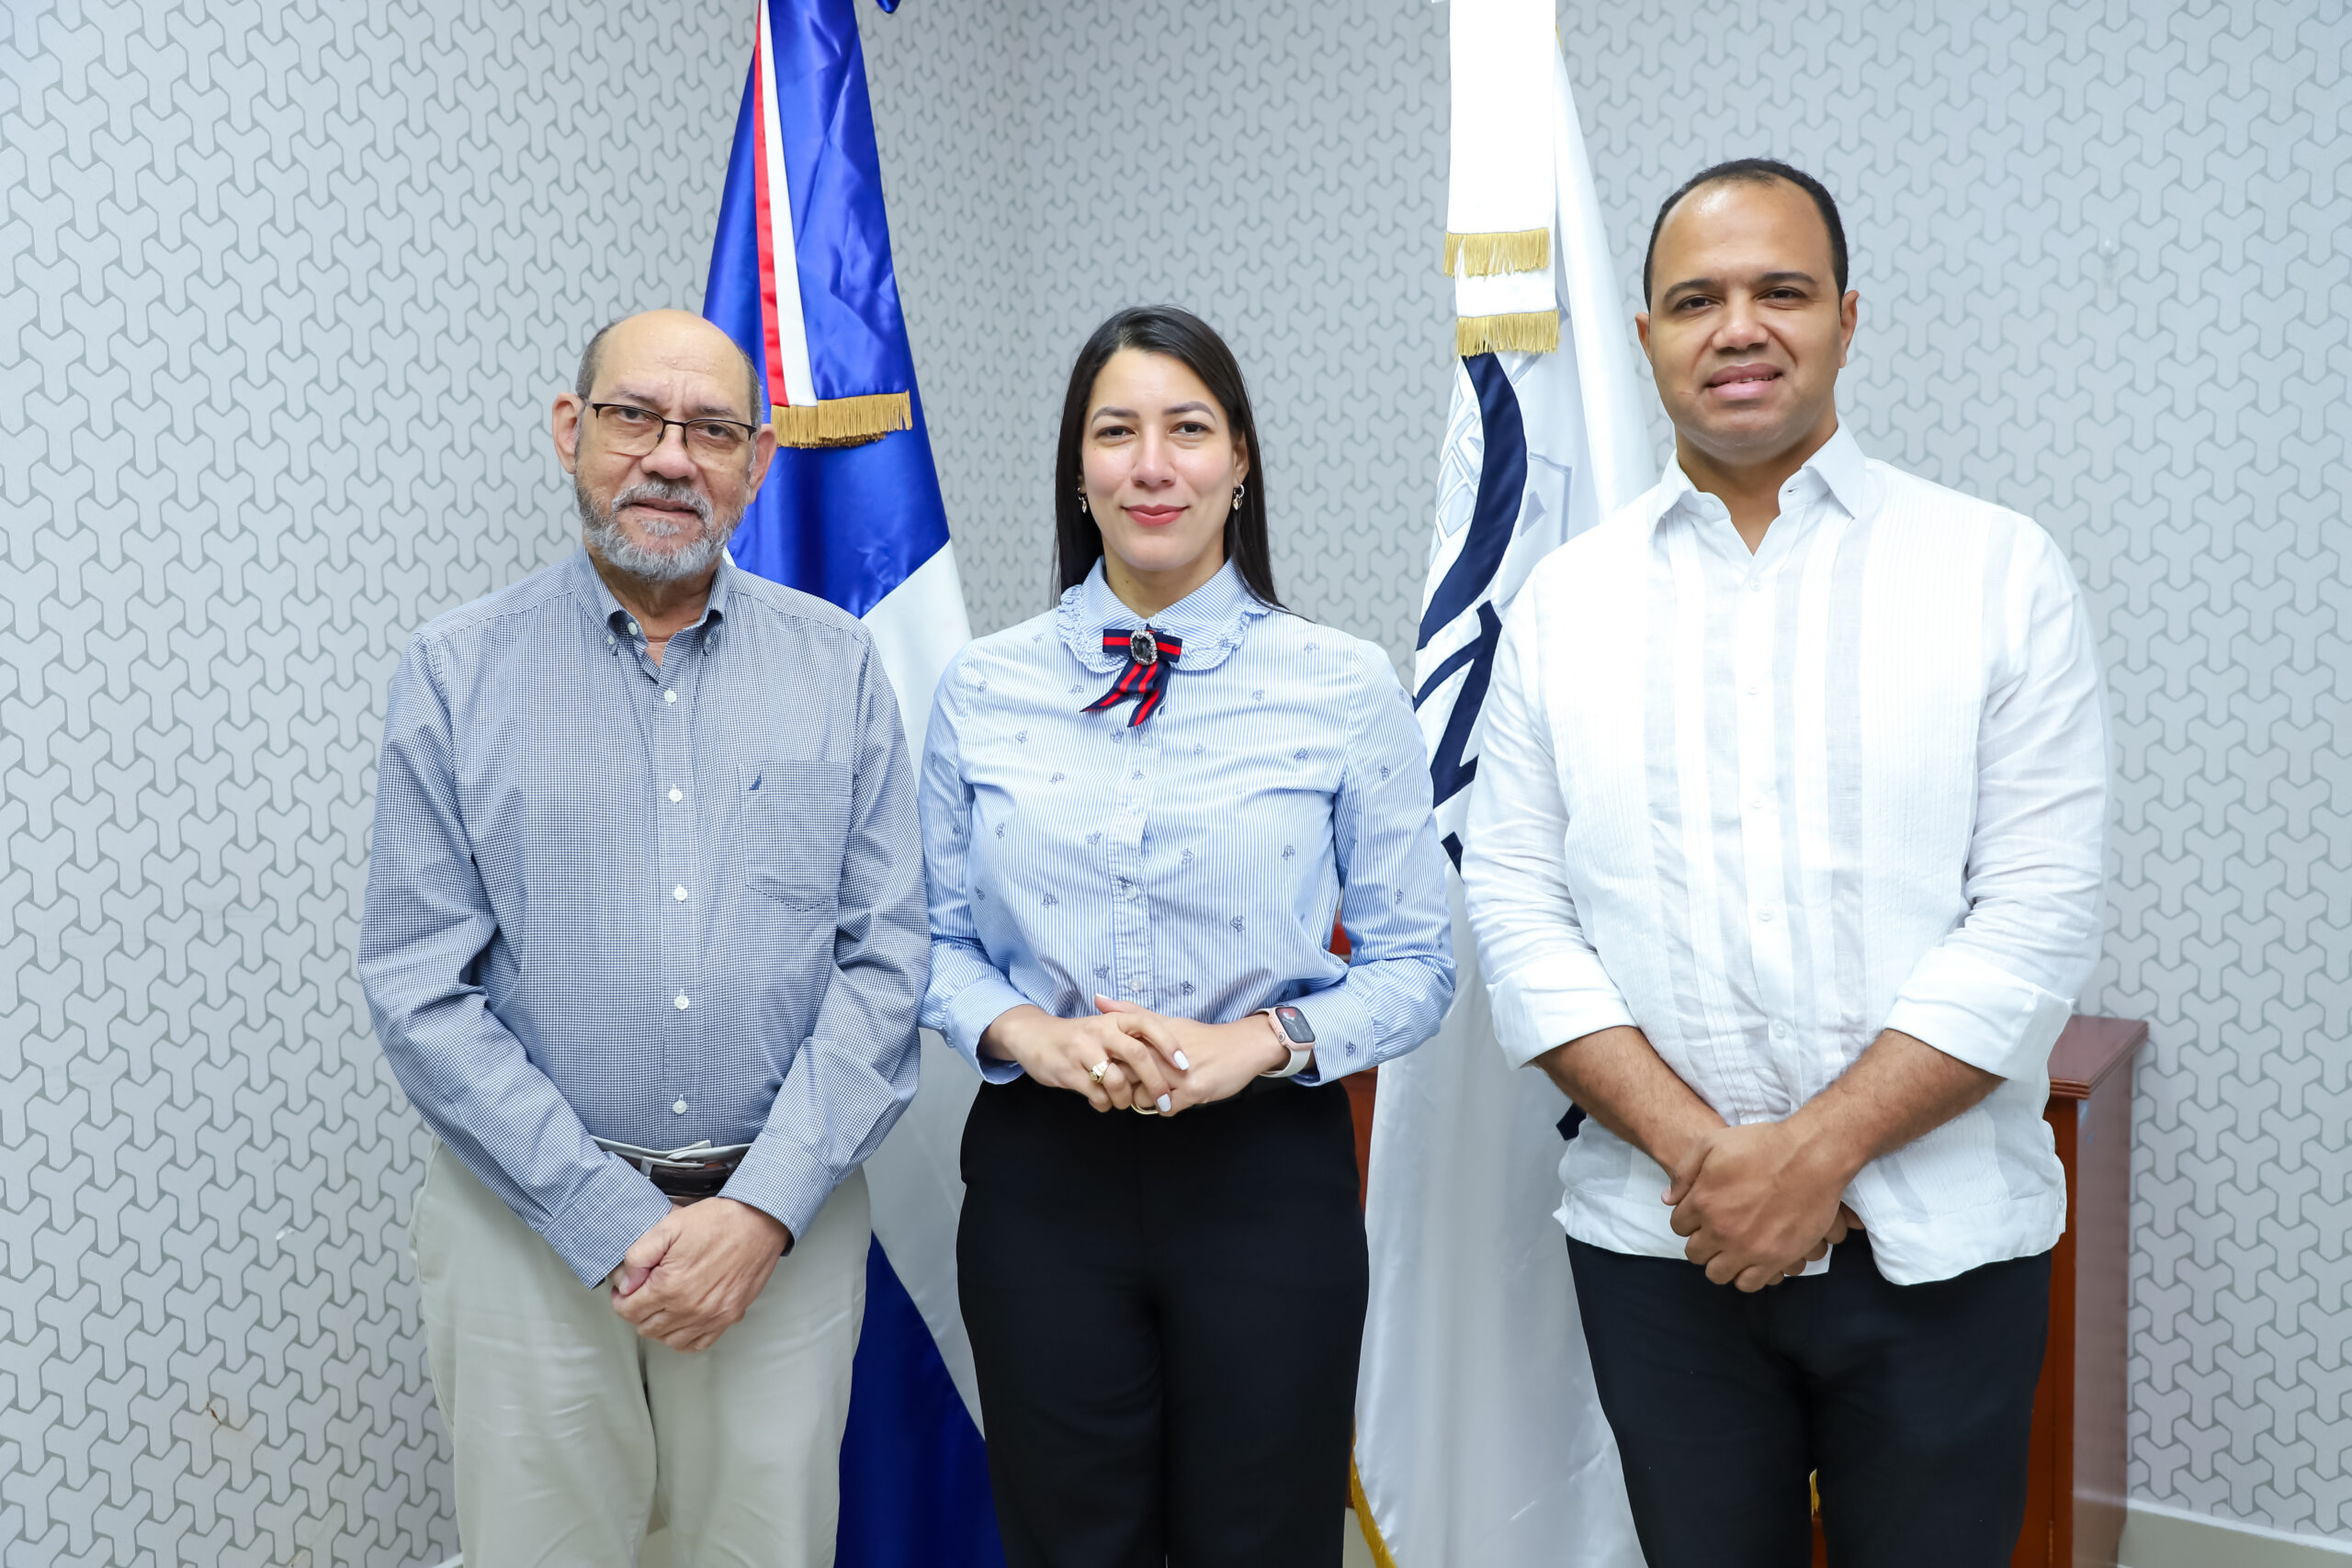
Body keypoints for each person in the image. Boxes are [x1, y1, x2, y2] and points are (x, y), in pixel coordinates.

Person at [1461, 161, 2109, 1567]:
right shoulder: (1564, 607)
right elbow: (1516, 908)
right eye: (1698, 299)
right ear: (1647, 338)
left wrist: (1815, 1158)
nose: (1739, 327)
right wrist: (1714, 1164)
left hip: (1941, 1252)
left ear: (1847, 320)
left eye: (1782, 292)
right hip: (1663, 1245)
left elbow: (2036, 918)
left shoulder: (1998, 571)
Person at [359, 309, 927, 1567]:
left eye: (712, 431)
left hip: (777, 1229)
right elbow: (417, 985)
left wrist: (761, 1210)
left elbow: (887, 960)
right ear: (572, 430)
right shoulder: (456, 669)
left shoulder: (837, 665)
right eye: (635, 418)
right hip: (526, 1224)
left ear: (758, 463)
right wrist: (599, 1211)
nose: (672, 458)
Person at [918, 305, 1455, 1568]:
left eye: (1189, 430)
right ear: (1080, 469)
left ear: (1241, 461)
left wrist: (1259, 1042)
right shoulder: (984, 686)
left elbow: (1419, 966)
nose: (1152, 466)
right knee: (1068, 1543)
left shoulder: (1342, 682)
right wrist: (1029, 1036)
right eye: (1117, 433)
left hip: (1265, 1181)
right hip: (1043, 1186)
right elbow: (929, 940)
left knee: (1264, 1541)